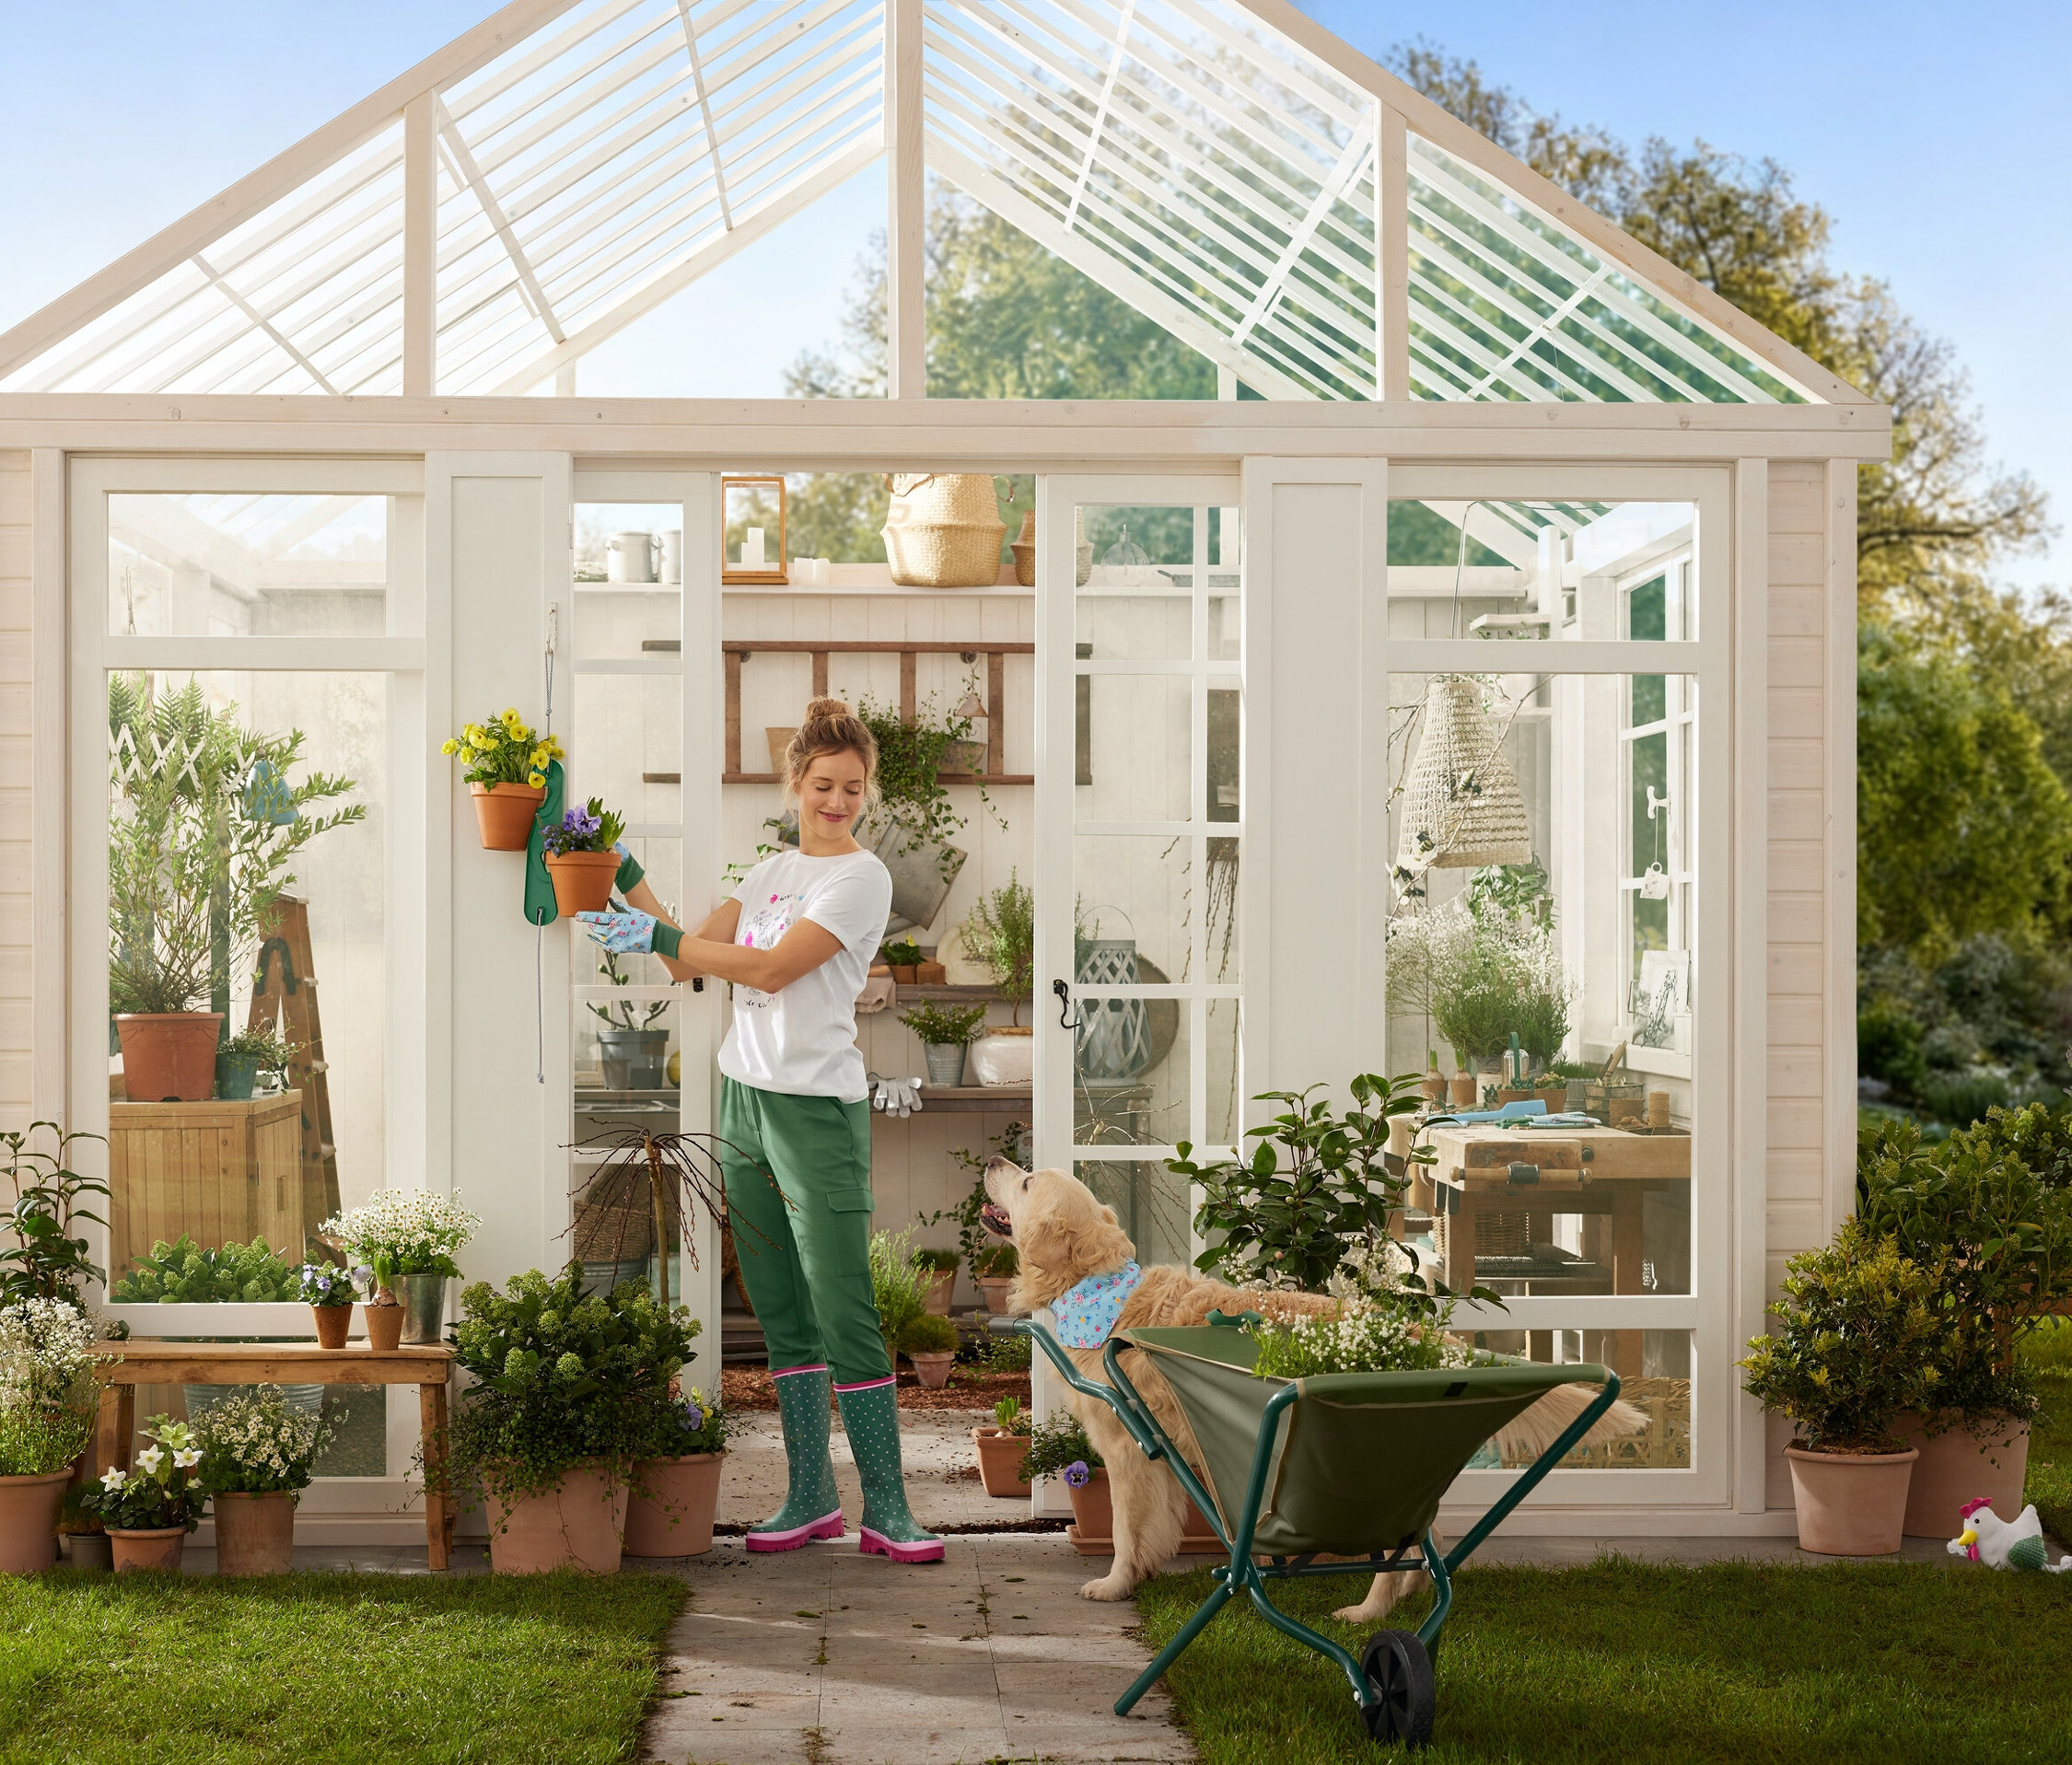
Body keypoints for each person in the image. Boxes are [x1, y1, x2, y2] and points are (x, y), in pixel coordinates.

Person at [577, 696, 942, 1564]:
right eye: (823, 784)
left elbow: (772, 969)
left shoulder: (861, 879)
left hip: (817, 1108)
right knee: (778, 1301)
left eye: (853, 787)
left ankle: (887, 1505)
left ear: (867, 793)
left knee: (844, 1299)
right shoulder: (769, 872)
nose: (838, 801)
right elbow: (682, 959)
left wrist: (658, 928)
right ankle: (810, 1494)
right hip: (743, 1095)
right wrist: (622, 874)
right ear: (796, 785)